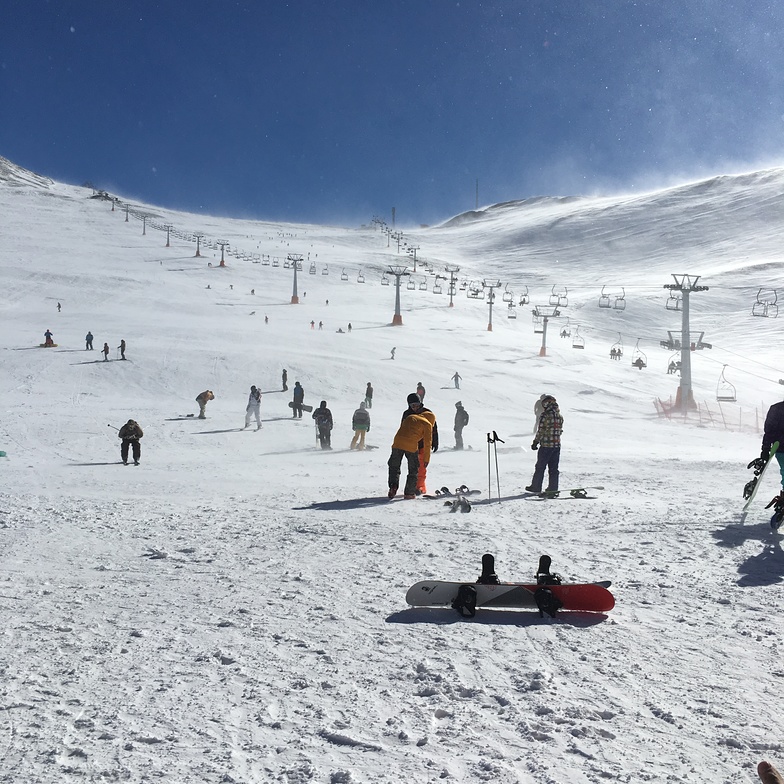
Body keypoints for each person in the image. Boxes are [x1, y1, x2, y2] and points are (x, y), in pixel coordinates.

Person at [388, 410, 434, 499]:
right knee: (413, 469)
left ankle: (393, 486)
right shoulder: (427, 424)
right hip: (411, 445)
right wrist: (426, 459)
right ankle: (409, 493)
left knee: (394, 466)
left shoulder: (411, 417)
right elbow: (427, 443)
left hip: (397, 442)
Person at [401, 392, 438, 494]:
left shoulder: (427, 413)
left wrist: (435, 441)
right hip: (411, 444)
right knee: (413, 467)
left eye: (417, 405)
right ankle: (413, 486)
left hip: (423, 444)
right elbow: (403, 429)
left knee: (422, 466)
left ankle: (420, 487)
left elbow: (433, 428)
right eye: (413, 406)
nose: (415, 408)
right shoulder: (407, 414)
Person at [526, 394, 564, 495]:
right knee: (554, 468)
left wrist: (535, 442)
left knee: (540, 467)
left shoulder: (545, 415)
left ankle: (536, 486)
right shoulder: (560, 416)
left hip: (546, 446)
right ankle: (553, 488)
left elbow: (541, 430)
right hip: (556, 446)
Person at [762, 399, 784, 495]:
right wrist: (765, 449)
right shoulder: (776, 409)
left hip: (780, 448)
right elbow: (769, 430)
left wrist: (765, 449)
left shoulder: (776, 408)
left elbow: (769, 430)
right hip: (781, 448)